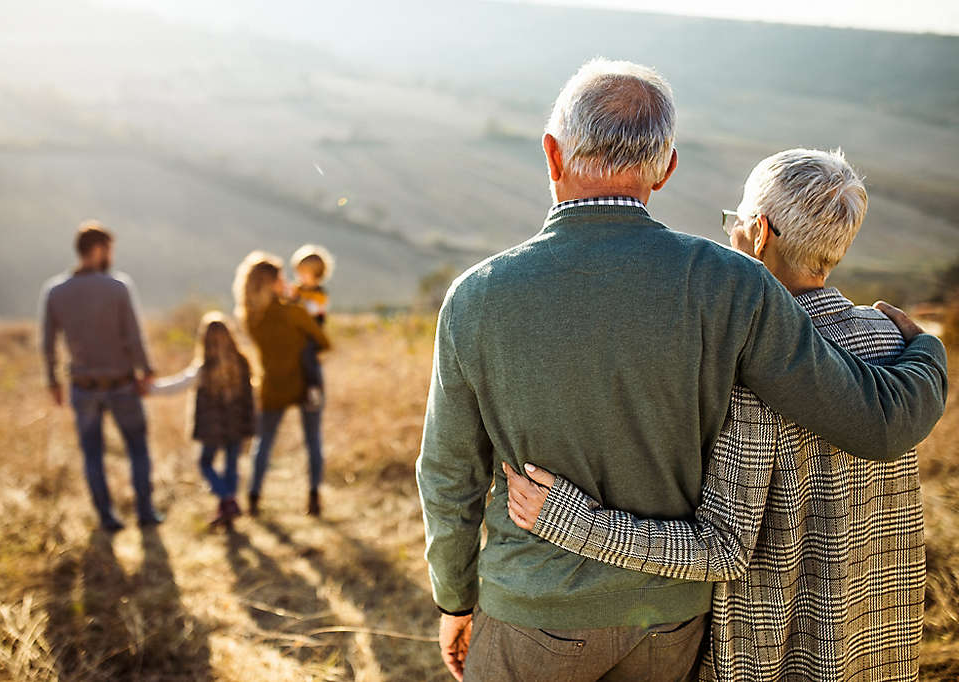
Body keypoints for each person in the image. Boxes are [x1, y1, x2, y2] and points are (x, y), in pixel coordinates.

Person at [415, 59, 947, 682]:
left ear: (552, 154)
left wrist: (454, 598)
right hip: (670, 623)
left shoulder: (477, 296)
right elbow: (869, 419)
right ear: (666, 168)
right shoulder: (732, 284)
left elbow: (450, 475)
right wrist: (926, 352)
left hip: (533, 613)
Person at [504, 148, 930, 681]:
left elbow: (723, 549)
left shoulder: (745, 369)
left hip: (777, 652)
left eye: (734, 222)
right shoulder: (890, 341)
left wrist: (571, 521)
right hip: (875, 642)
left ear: (758, 232)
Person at [40, 220, 163, 531]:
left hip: (82, 386)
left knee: (92, 454)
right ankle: (145, 512)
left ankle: (107, 517)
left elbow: (48, 343)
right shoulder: (117, 287)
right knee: (137, 447)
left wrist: (53, 382)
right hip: (121, 383)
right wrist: (146, 370)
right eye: (109, 249)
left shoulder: (56, 291)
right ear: (98, 250)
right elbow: (133, 336)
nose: (111, 256)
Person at [233, 251, 331, 518]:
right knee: (313, 440)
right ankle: (313, 497)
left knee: (263, 442)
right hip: (306, 381)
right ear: (272, 282)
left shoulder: (251, 318)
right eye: (281, 277)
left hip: (272, 384)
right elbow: (324, 341)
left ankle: (253, 497)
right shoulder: (294, 312)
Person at [152, 312, 255, 529]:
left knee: (205, 463)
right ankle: (227, 506)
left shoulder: (204, 368)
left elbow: (177, 385)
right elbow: (250, 396)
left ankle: (227, 501)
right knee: (231, 466)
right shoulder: (241, 363)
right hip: (236, 425)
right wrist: (250, 422)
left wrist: (150, 388)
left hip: (212, 428)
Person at [288, 244, 335, 411]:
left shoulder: (319, 294)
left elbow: (313, 311)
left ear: (316, 275)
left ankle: (313, 388)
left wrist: (297, 302)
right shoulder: (297, 290)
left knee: (308, 357)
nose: (300, 277)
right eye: (298, 272)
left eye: (304, 273)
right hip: (297, 334)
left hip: (312, 335)